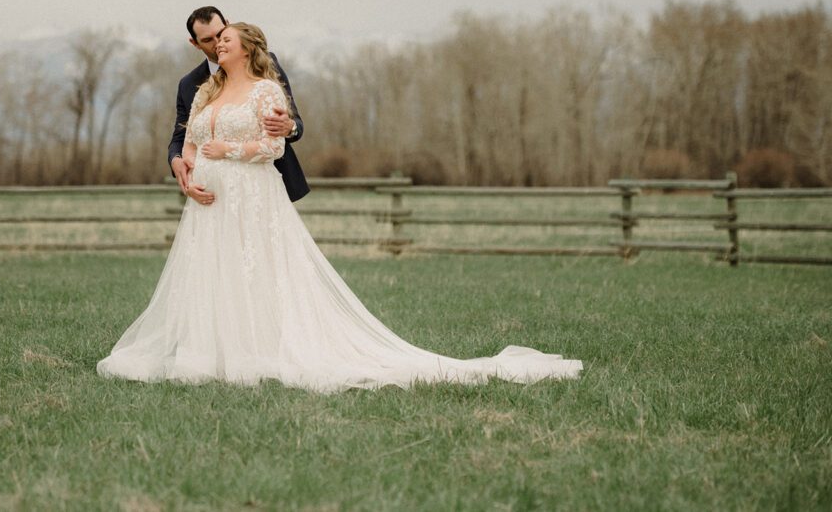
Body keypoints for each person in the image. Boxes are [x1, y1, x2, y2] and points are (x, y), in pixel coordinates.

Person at [97, 22, 582, 392]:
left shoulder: (267, 90)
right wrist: (187, 170)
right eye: (212, 40)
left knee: (257, 271)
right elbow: (188, 139)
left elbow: (276, 147)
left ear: (247, 47)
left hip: (251, 195)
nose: (217, 46)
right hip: (207, 201)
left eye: (225, 38)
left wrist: (232, 152)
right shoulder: (206, 90)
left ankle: (259, 350)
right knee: (212, 273)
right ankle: (205, 353)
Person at [168, 6, 308, 205]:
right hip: (210, 195)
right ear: (195, 43)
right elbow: (180, 137)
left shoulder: (267, 65)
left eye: (221, 35)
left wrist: (290, 127)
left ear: (227, 24)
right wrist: (177, 160)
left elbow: (295, 122)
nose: (217, 43)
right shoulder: (190, 84)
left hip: (261, 188)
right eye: (208, 40)